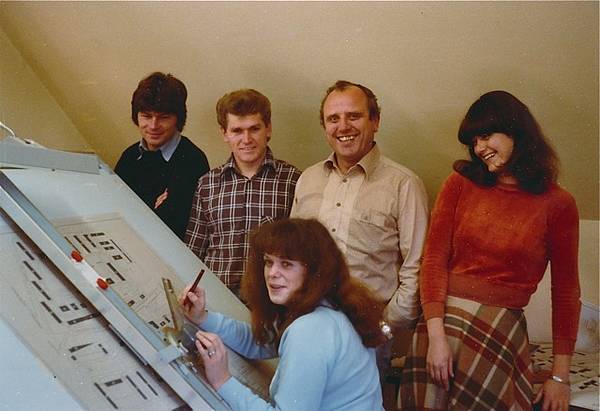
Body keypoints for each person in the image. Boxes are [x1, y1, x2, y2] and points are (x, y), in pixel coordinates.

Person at [400, 90, 581, 411]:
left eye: (485, 136)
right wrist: (436, 338)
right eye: (473, 142)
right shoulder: (458, 183)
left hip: (499, 334)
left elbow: (566, 292)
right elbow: (434, 261)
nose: (479, 148)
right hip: (440, 331)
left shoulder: (559, 203)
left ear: (515, 131)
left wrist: (560, 377)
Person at [290, 80, 429, 368]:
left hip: (368, 337)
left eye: (354, 116)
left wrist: (383, 327)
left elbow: (417, 269)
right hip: (309, 327)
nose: (343, 127)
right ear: (325, 127)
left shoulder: (403, 184)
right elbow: (291, 256)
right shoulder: (308, 180)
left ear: (375, 121)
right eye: (333, 119)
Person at [179, 218, 386, 410]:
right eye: (269, 262)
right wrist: (203, 318)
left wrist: (222, 381)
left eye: (286, 264)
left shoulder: (310, 330)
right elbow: (261, 340)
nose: (272, 273)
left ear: (314, 271)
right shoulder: (329, 308)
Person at [185, 89, 300, 298]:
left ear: (268, 129)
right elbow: (193, 253)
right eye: (237, 131)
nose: (246, 139)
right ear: (224, 134)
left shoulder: (292, 181)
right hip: (216, 300)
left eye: (254, 129)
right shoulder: (207, 184)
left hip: (269, 302)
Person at [115, 72, 209, 240]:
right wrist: (154, 207)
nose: (153, 126)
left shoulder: (193, 160)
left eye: (163, 117)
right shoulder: (129, 157)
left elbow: (175, 225)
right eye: (146, 116)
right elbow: (116, 215)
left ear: (178, 119)